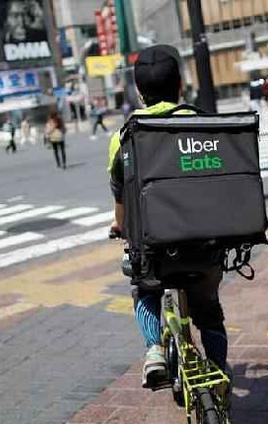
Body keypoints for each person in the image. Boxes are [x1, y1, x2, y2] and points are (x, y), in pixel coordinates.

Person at [107, 44, 231, 391]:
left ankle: (154, 351)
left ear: (139, 92)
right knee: (209, 310)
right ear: (180, 86)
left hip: (154, 251)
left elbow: (121, 194)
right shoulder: (200, 123)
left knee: (145, 290)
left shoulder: (125, 135)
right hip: (204, 245)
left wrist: (120, 225)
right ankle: (219, 370)